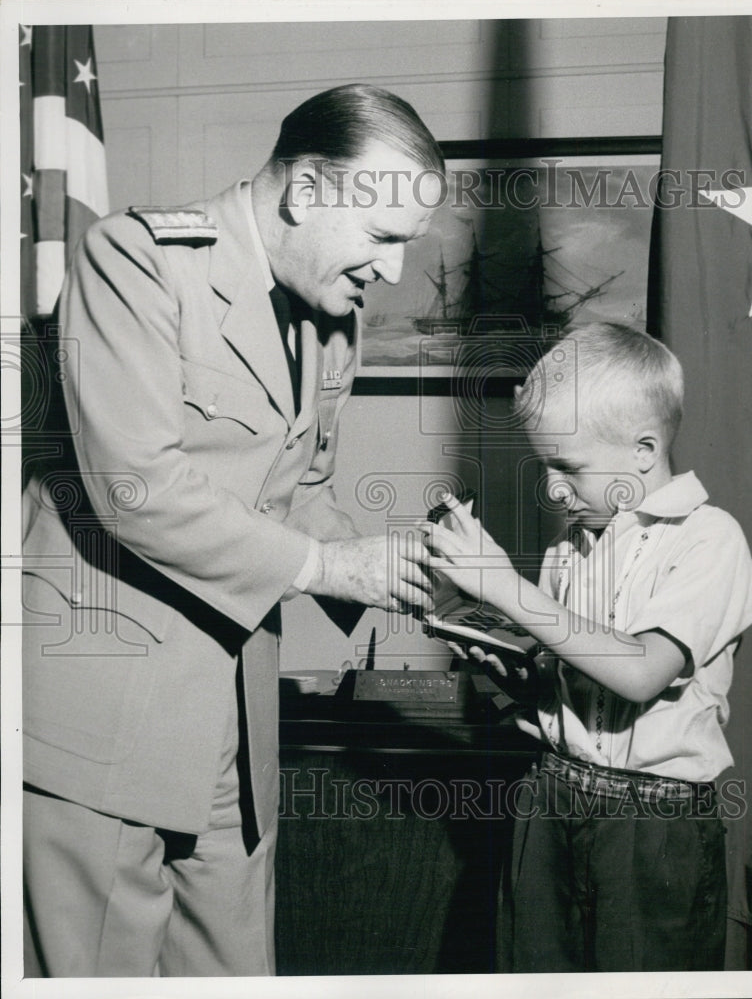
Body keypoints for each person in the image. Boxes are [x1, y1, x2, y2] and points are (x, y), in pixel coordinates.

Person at [21, 83, 443, 977]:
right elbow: (138, 490)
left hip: (234, 725)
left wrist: (424, 581)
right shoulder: (137, 260)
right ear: (307, 193)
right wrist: (332, 565)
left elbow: (300, 495)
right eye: (384, 238)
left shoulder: (332, 315)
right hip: (104, 710)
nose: (395, 271)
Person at [420, 323, 752, 972]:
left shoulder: (708, 540)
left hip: (650, 831)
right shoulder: (566, 551)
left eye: (567, 467)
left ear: (642, 450)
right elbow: (570, 684)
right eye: (543, 463)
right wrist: (514, 671)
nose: (552, 488)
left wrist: (503, 587)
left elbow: (640, 674)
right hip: (548, 800)